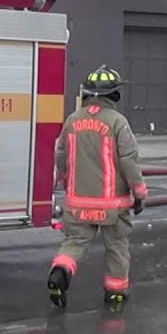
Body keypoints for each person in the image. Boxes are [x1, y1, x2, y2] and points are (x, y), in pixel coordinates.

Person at [47, 65, 148, 313]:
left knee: (74, 242)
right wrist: (140, 192)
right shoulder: (117, 122)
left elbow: (61, 153)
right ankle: (115, 293)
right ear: (114, 94)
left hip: (79, 202)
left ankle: (60, 272)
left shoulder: (73, 120)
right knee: (117, 248)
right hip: (113, 206)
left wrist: (63, 176)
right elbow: (128, 161)